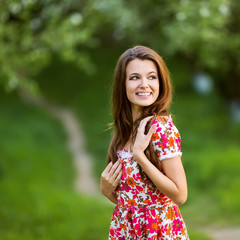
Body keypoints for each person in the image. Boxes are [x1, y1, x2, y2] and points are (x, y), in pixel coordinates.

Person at [100, 46, 189, 239]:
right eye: (134, 77)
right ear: (122, 85)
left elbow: (180, 195)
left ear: (161, 82)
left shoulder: (161, 128)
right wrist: (106, 191)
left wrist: (140, 156)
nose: (144, 84)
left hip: (158, 232)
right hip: (127, 231)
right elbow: (135, 200)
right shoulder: (125, 130)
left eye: (151, 77)